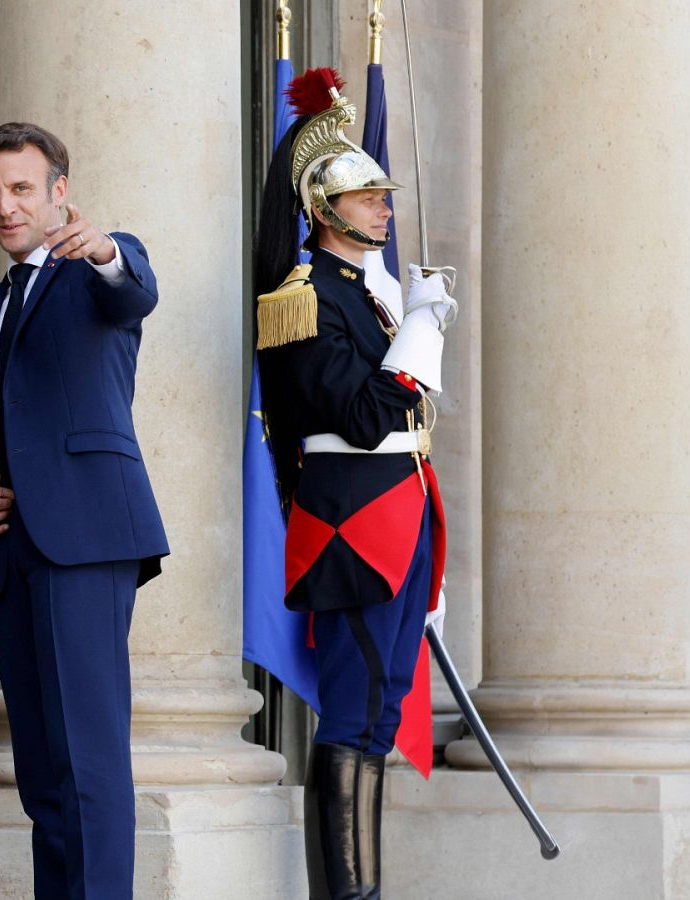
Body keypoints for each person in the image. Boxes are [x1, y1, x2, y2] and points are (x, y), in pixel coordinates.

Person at [0, 121, 168, 898]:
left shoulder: (95, 270)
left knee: (89, 764)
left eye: (20, 189)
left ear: (58, 193)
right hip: (15, 556)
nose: (5, 207)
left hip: (87, 539)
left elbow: (134, 286)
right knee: (43, 776)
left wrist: (104, 249)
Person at [252, 67, 455, 899]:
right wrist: (418, 330)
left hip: (396, 514)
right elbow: (367, 415)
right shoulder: (303, 297)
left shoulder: (361, 297)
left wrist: (407, 323)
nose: (384, 208)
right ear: (325, 209)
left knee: (378, 713)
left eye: (383, 195)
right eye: (368, 197)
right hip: (351, 522)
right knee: (351, 713)